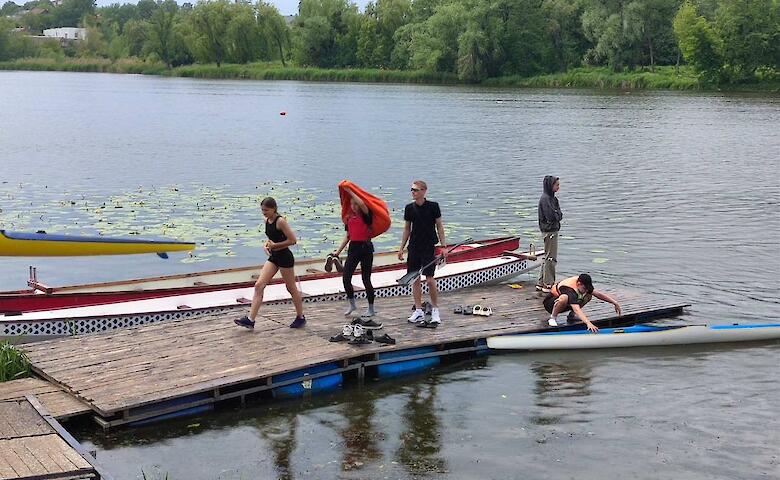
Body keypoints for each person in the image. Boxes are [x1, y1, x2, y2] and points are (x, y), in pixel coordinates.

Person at [235, 197, 305, 329]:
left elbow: (293, 240)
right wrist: (266, 245)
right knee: (259, 285)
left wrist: (275, 245)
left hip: (285, 257)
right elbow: (270, 238)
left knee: (291, 288)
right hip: (274, 257)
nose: (264, 212)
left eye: (266, 210)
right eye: (262, 210)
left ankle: (300, 317)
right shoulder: (266, 220)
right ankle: (250, 320)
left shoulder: (281, 222)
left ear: (274, 209)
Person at [397, 180, 446, 327]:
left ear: (424, 191)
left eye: (416, 190)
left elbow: (439, 226)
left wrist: (443, 246)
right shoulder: (409, 208)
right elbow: (407, 229)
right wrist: (401, 248)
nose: (413, 192)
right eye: (412, 190)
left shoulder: (433, 206)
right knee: (415, 279)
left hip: (428, 247)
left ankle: (435, 310)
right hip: (414, 247)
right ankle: (418, 310)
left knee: (430, 280)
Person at [332, 186, 377, 318]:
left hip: (366, 248)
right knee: (346, 278)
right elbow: (348, 236)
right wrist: (337, 252)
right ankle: (352, 304)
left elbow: (362, 204)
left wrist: (350, 191)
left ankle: (371, 308)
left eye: (355, 204)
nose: (353, 206)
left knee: (366, 279)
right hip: (354, 248)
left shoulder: (366, 215)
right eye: (351, 204)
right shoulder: (349, 219)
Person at [543, 274, 622, 333]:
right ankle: (553, 318)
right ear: (578, 284)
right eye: (584, 288)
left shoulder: (583, 284)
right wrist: (588, 323)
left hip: (566, 303)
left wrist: (615, 303)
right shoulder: (569, 289)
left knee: (589, 295)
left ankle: (571, 316)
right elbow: (576, 309)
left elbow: (598, 294)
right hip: (550, 304)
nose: (585, 290)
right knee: (564, 298)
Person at [537, 176, 563, 293]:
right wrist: (557, 215)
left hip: (551, 230)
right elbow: (551, 217)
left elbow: (560, 215)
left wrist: (557, 215)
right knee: (551, 257)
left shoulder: (553, 199)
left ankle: (541, 282)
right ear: (550, 186)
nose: (558, 187)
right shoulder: (546, 199)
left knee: (547, 256)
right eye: (556, 185)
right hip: (549, 231)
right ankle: (548, 284)